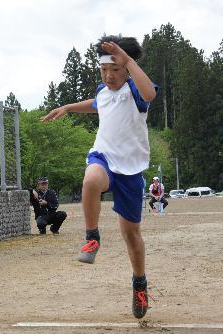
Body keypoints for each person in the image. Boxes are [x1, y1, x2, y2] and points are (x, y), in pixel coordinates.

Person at [42, 34, 158, 319]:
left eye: (115, 70)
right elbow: (97, 103)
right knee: (91, 179)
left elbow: (150, 94)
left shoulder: (135, 91)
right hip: (103, 158)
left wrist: (127, 60)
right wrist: (68, 107)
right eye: (104, 70)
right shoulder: (104, 91)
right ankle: (92, 237)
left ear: (127, 69)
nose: (108, 75)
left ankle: (139, 283)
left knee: (131, 235)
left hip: (130, 169)